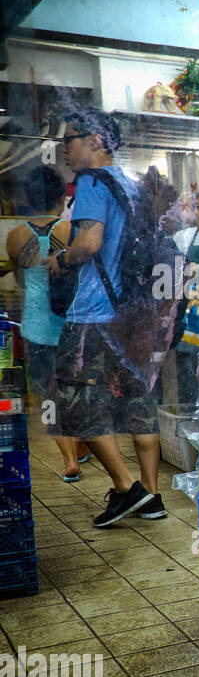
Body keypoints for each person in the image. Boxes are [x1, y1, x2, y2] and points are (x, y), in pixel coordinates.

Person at [40, 108, 165, 526]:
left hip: (92, 314)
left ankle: (127, 490)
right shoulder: (132, 185)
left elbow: (89, 244)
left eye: (69, 139)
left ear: (95, 140)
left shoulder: (92, 182)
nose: (64, 149)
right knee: (137, 401)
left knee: (76, 406)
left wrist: (61, 259)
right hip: (131, 316)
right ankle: (152, 493)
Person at [5, 166, 92, 482]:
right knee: (76, 391)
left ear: (27, 199)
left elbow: (21, 282)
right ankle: (81, 443)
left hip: (37, 327)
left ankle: (70, 459)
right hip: (71, 326)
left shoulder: (15, 237)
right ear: (61, 197)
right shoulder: (71, 232)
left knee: (47, 395)